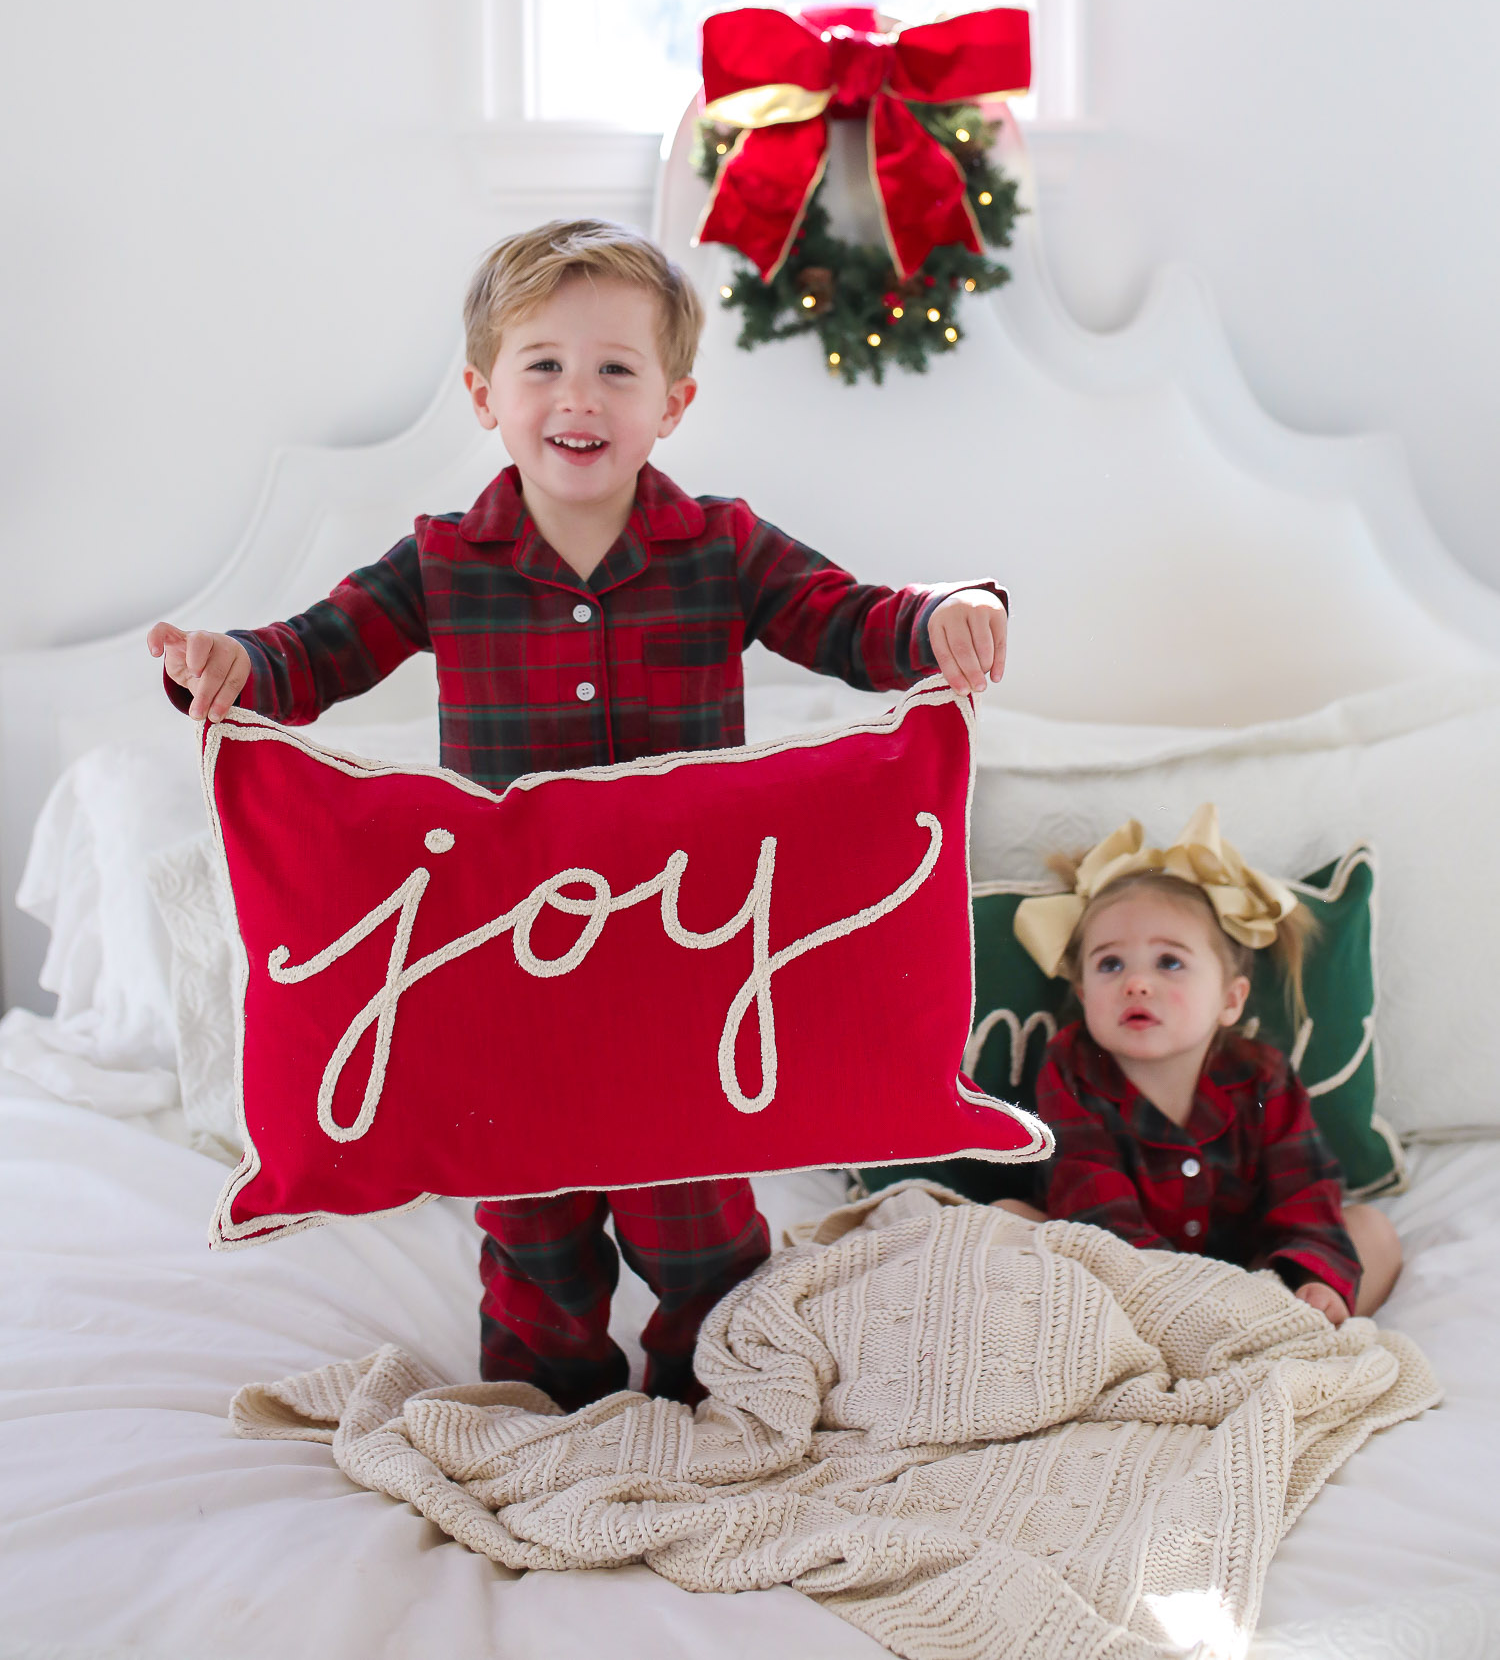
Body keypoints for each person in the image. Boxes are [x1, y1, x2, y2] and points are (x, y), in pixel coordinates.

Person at [146, 217, 1009, 1408]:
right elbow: (317, 652)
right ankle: (548, 1412)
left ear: (674, 402)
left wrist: (941, 613)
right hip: (514, 962)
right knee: (533, 1224)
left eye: (616, 367)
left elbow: (849, 618)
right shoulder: (443, 562)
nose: (578, 394)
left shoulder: (724, 547)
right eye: (543, 364)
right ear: (485, 393)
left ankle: (724, 1397)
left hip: (687, 954)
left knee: (699, 1215)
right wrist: (229, 662)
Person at [998, 806, 1402, 1324]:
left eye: (1170, 962)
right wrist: (1177, 1297)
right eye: (1110, 963)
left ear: (1229, 1001)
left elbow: (1304, 1192)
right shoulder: (1072, 1069)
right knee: (1006, 1223)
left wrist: (1313, 1278)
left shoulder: (1262, 1078)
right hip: (1125, 1278)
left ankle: (1290, 1328)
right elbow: (1093, 1206)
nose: (1137, 983)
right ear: (1083, 993)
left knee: (1372, 1231)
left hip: (1251, 1278)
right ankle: (1196, 1339)